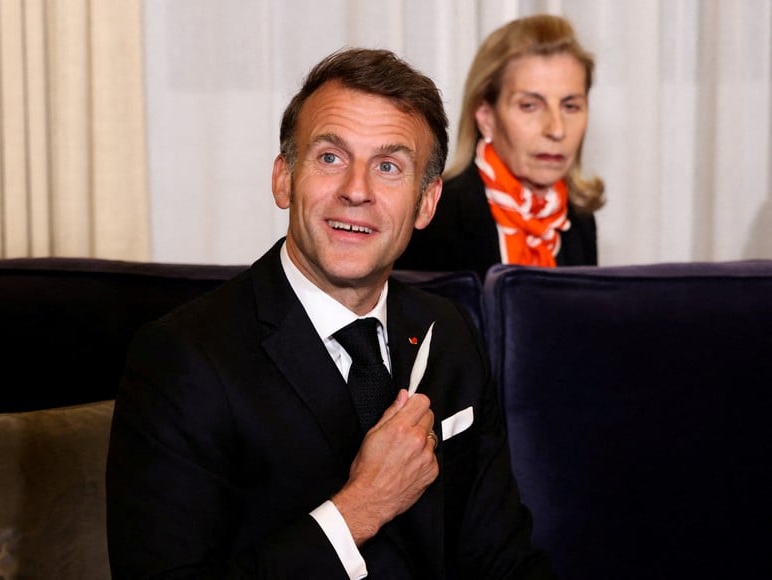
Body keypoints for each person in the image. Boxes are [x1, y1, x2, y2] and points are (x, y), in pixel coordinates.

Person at [106, 47, 555, 579]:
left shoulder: (449, 332)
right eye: (330, 158)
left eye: (388, 167)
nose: (356, 191)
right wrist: (358, 510)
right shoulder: (182, 358)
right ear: (283, 180)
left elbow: (503, 559)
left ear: (427, 202)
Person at [396, 14, 605, 281]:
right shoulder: (437, 217)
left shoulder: (578, 221)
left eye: (570, 106)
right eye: (529, 105)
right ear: (486, 117)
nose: (556, 129)